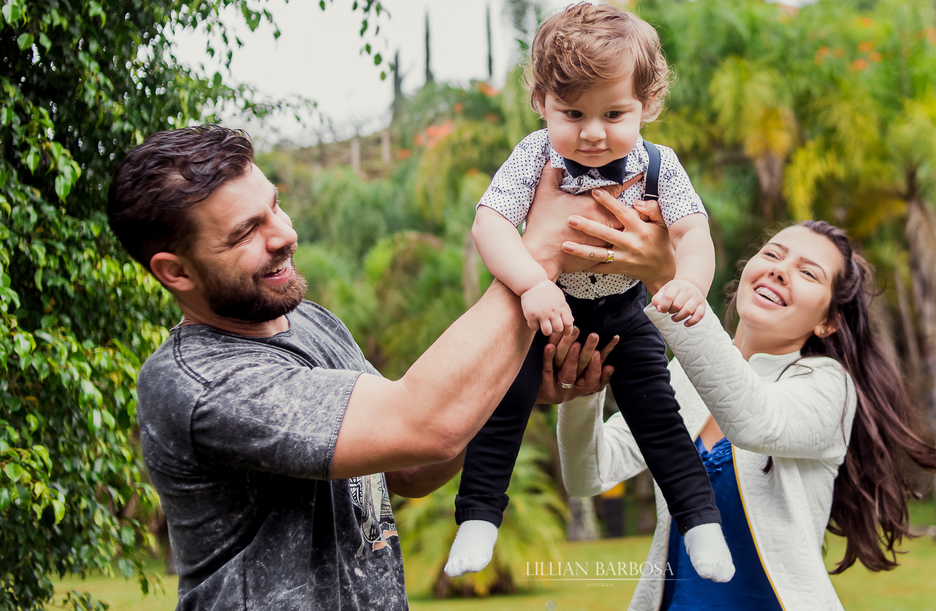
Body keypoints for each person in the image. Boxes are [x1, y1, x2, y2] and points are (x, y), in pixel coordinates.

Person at [105, 124, 624, 611]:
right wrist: (539, 257)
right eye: (246, 233)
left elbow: (410, 468)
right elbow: (423, 423)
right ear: (175, 272)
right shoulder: (203, 382)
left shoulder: (312, 324)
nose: (284, 234)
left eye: (275, 206)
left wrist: (515, 388)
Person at [448, 2, 735, 582]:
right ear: (541, 104)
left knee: (659, 417)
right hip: (545, 305)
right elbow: (491, 223)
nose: (593, 131)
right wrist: (531, 284)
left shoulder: (661, 164)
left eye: (614, 112)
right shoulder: (534, 154)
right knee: (502, 404)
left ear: (648, 105)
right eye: (571, 112)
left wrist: (689, 284)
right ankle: (478, 516)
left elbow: (692, 232)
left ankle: (701, 524)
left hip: (625, 312)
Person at [558, 219, 936, 611]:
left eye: (808, 272)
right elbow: (590, 474)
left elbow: (753, 420)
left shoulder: (829, 387)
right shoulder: (684, 375)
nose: (780, 270)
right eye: (773, 255)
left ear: (827, 321)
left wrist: (667, 278)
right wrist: (581, 395)